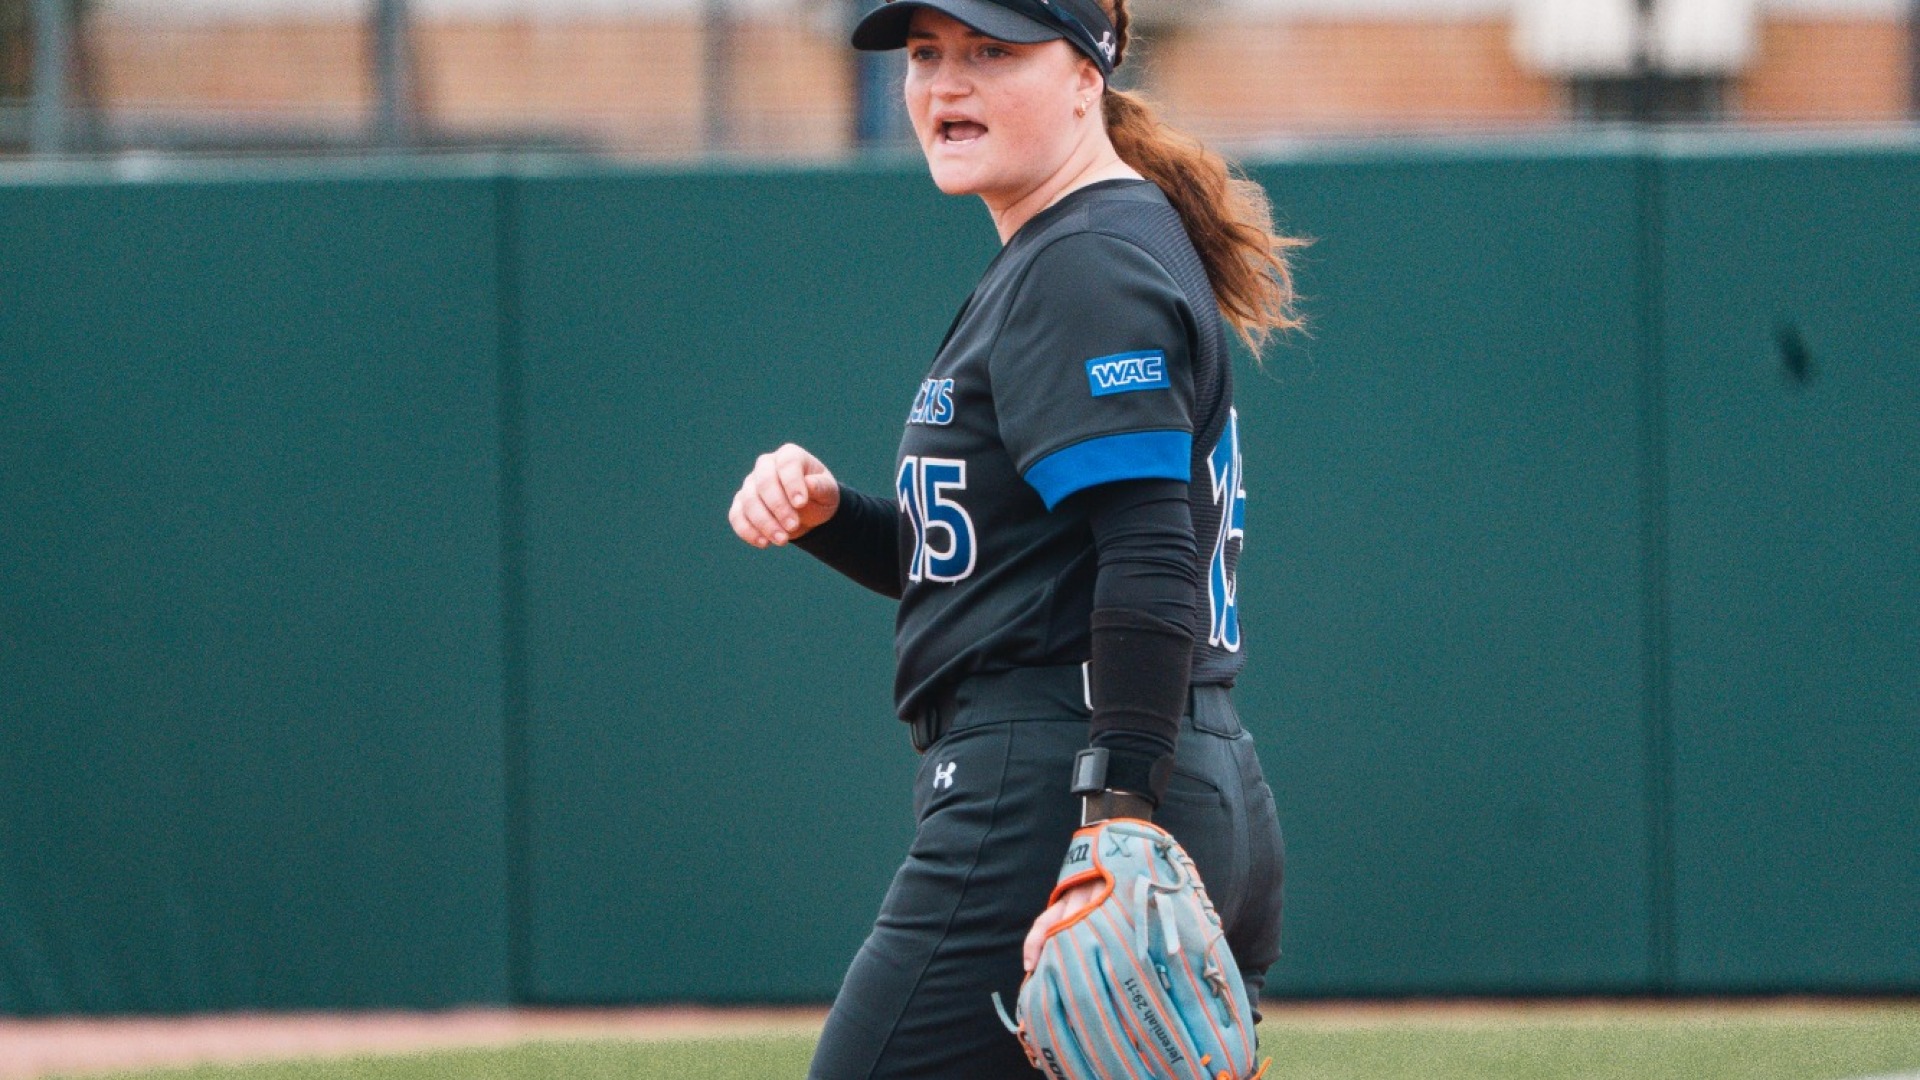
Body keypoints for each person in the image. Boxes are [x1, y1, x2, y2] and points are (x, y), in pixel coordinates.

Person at [727, 0, 1301, 1075]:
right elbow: (1016, 572)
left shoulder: (1085, 260)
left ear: (1088, 74)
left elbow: (1148, 550)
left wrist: (1115, 818)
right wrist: (834, 518)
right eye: (927, 54)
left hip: (1061, 781)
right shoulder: (1084, 245)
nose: (947, 83)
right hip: (1168, 762)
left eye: (991, 51)